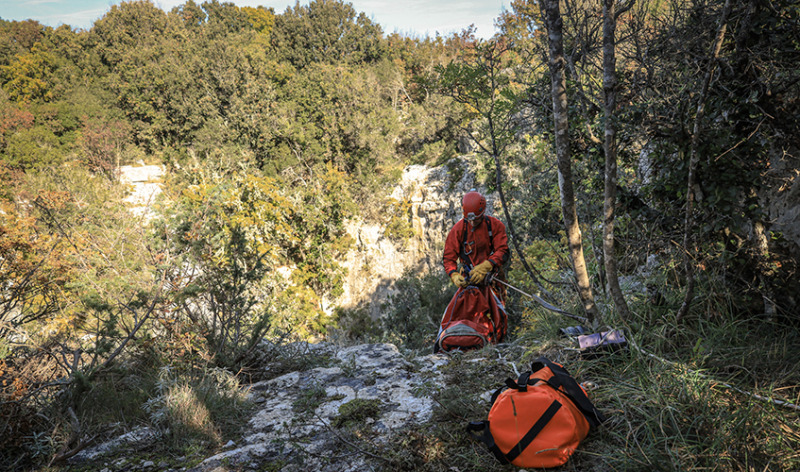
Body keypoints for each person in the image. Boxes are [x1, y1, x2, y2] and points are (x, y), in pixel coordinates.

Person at [442, 190, 510, 301]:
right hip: (469, 280)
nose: (472, 223)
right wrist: (454, 274)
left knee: (497, 314)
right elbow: (448, 258)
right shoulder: (458, 230)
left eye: (476, 219)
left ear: (483, 213)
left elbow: (503, 251)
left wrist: (487, 265)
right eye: (469, 220)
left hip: (493, 279)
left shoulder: (495, 226)